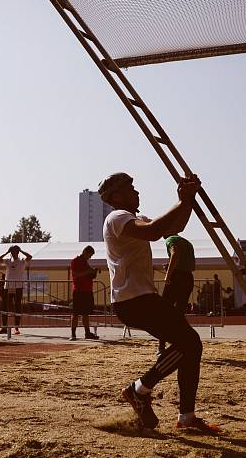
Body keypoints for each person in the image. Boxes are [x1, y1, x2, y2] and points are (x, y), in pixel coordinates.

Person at [99, 172, 220, 432]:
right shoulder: (117, 217)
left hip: (141, 298)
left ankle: (185, 416)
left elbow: (175, 227)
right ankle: (139, 389)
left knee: (190, 346)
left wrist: (187, 200)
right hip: (133, 300)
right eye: (131, 188)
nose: (137, 192)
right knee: (190, 343)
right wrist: (182, 199)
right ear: (117, 196)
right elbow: (154, 232)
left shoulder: (135, 219)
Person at [157, 234, 195, 355]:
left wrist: (168, 274)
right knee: (179, 313)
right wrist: (171, 267)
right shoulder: (187, 242)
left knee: (163, 312)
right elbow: (190, 264)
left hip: (176, 278)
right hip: (188, 277)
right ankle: (184, 343)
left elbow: (175, 254)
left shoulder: (170, 239)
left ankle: (161, 347)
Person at [0, 245, 31, 335]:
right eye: (12, 252)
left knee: (17, 306)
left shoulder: (22, 261)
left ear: (18, 252)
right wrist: (7, 252)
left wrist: (21, 250)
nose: (13, 253)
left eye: (15, 251)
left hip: (18, 286)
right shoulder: (8, 261)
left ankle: (16, 327)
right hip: (8, 286)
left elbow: (30, 257)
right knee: (5, 306)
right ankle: (4, 327)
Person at [69, 245, 99, 341]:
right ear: (85, 252)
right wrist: (88, 271)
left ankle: (87, 332)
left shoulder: (86, 263)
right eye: (89, 255)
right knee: (76, 313)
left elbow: (88, 275)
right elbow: (76, 274)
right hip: (79, 291)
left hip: (87, 291)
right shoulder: (75, 261)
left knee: (86, 313)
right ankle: (73, 334)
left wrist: (94, 272)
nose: (90, 258)